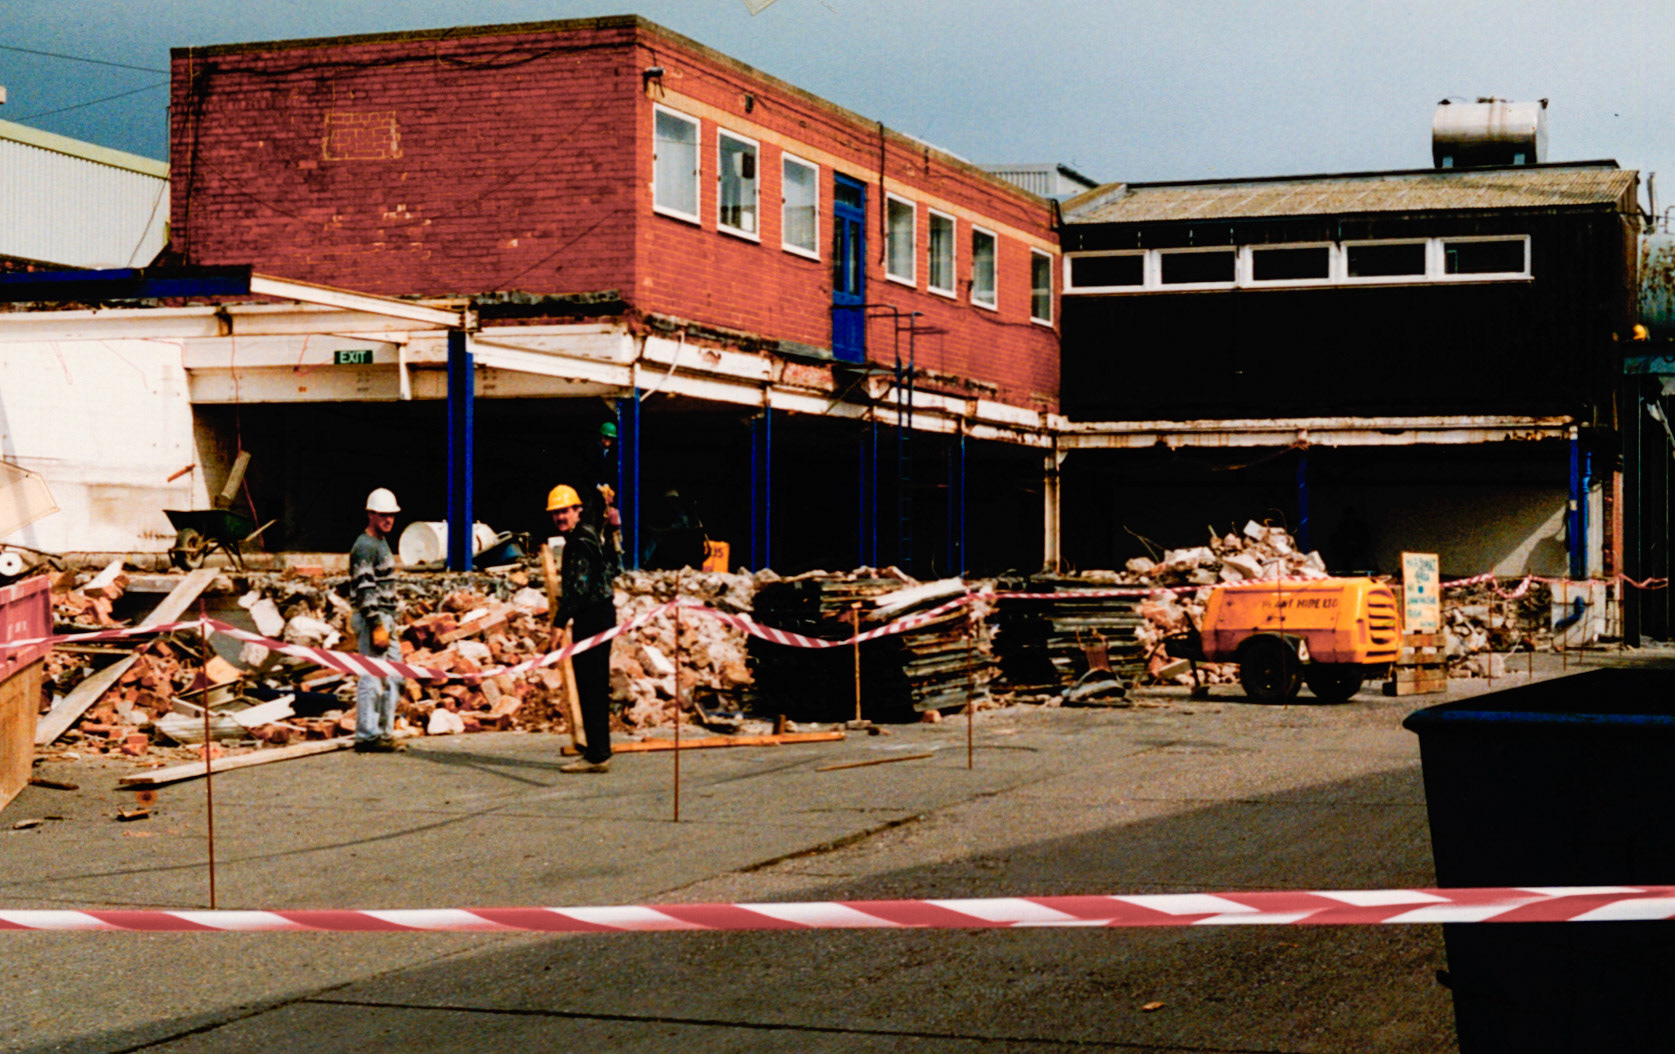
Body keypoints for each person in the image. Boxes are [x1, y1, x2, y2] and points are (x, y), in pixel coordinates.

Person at [547, 483, 620, 773]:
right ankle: (599, 748)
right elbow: (616, 567)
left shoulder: (577, 543)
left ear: (578, 510)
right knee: (596, 684)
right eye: (556, 513)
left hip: (591, 618)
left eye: (565, 511)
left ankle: (598, 755)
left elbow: (576, 590)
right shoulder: (591, 534)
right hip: (604, 614)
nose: (560, 517)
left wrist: (557, 624)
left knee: (590, 685)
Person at [350, 487, 404, 753]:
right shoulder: (364, 546)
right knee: (372, 677)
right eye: (383, 515)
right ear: (370, 514)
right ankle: (367, 735)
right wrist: (376, 624)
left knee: (395, 674)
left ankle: (383, 732)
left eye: (392, 515)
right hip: (374, 616)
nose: (389, 520)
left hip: (386, 617)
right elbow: (364, 588)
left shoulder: (381, 542)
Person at [643, 488, 708, 571]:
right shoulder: (676, 511)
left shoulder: (681, 513)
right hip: (677, 535)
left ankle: (646, 560)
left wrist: (656, 530)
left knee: (655, 538)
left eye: (670, 500)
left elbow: (674, 529)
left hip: (678, 537)